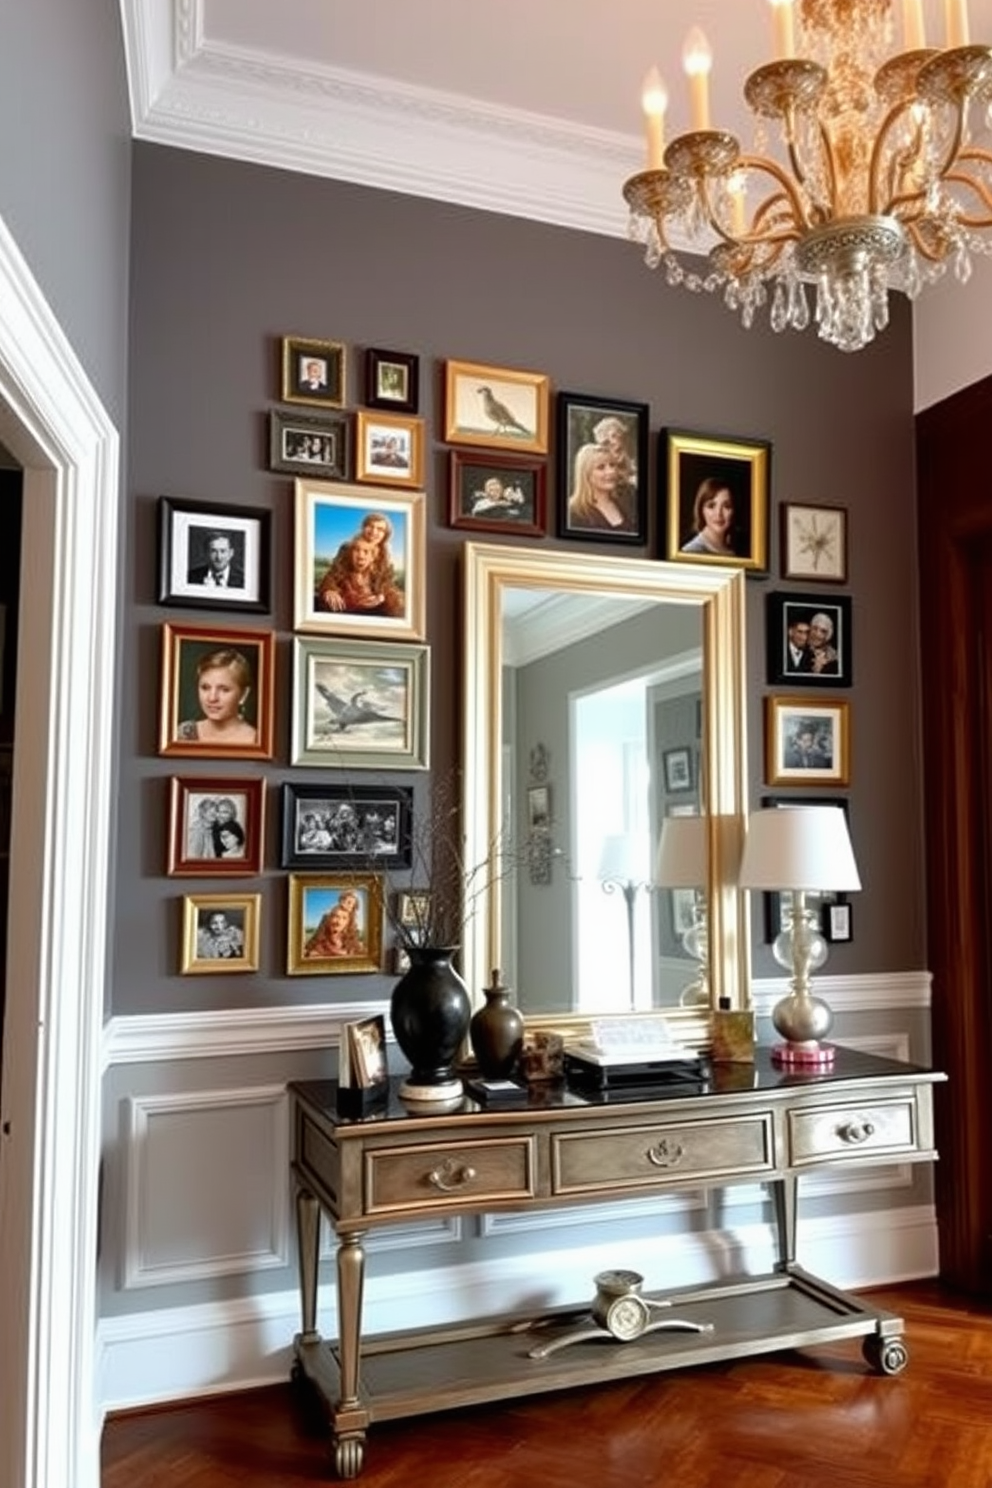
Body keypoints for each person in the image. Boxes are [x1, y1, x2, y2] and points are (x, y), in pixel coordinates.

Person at [317, 512, 404, 616]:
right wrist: (329, 589)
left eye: (380, 529)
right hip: (349, 594)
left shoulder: (385, 554)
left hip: (372, 597)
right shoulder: (347, 547)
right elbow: (334, 572)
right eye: (370, 526)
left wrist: (381, 595)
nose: (373, 532)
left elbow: (386, 580)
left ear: (386, 534)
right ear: (363, 527)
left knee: (394, 605)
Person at [175, 648, 258, 746]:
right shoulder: (182, 734)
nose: (212, 698)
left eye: (224, 689)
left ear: (244, 694)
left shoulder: (256, 740)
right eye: (205, 688)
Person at [566, 443, 635, 532]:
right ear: (586, 474)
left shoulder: (626, 502)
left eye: (612, 465)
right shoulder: (573, 512)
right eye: (601, 467)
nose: (611, 471)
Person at [681, 477, 735, 556]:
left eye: (726, 506)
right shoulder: (692, 551)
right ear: (701, 510)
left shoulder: (735, 548)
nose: (718, 513)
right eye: (711, 506)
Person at [304, 891, 363, 958]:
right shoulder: (327, 916)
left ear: (353, 907)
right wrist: (309, 948)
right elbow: (318, 935)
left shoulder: (353, 921)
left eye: (349, 903)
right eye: (344, 900)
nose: (345, 904)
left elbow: (353, 939)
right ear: (340, 900)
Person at [593, 415, 637, 496]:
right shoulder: (603, 477)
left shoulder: (634, 467)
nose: (614, 443)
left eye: (616, 436)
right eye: (606, 443)